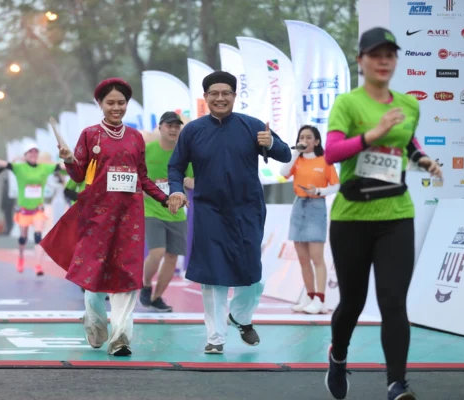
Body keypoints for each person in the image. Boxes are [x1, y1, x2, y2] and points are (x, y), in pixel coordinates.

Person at [322, 27, 442, 400]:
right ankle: (338, 356)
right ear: (361, 61)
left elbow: (407, 142)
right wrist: (373, 134)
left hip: (396, 214)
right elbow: (331, 152)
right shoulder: (348, 104)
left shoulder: (409, 105)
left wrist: (423, 159)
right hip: (352, 217)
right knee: (353, 303)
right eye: (375, 55)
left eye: (389, 54)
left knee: (393, 302)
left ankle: (396, 384)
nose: (383, 61)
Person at [40, 78, 170, 356]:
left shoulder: (135, 138)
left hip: (130, 218)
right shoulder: (89, 135)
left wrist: (165, 198)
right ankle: (95, 324)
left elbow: (142, 177)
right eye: (110, 102)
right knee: (93, 275)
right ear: (99, 104)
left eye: (121, 103)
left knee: (127, 275)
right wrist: (69, 160)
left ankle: (120, 338)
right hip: (96, 217)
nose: (116, 107)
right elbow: (78, 175)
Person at [167, 71, 292, 354]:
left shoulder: (252, 126)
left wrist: (271, 144)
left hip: (248, 210)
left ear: (235, 96)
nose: (220, 98)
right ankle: (216, 337)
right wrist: (176, 190)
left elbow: (285, 154)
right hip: (209, 210)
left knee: (253, 275)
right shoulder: (193, 131)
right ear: (206, 97)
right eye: (214, 93)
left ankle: (241, 317)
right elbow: (175, 166)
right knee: (212, 276)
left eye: (226, 93)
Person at [0, 144, 63, 276]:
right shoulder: (19, 167)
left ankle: (38, 265)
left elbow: (61, 166)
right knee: (23, 237)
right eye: (30, 152)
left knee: (38, 236)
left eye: (35, 152)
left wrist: (75, 161)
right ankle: (21, 257)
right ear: (25, 155)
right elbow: (3, 164)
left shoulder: (44, 167)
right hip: (24, 211)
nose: (33, 155)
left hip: (38, 210)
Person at [280, 125, 339, 315]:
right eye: (301, 137)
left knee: (316, 257)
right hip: (299, 206)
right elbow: (283, 172)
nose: (304, 140)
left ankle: (320, 299)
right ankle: (309, 295)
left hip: (316, 206)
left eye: (308, 137)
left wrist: (319, 191)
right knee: (303, 258)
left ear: (317, 141)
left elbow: (336, 185)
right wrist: (296, 153)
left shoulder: (325, 161)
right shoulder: (297, 159)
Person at [140, 111, 194, 312]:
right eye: (169, 126)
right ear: (160, 128)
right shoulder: (147, 150)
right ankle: (146, 285)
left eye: (176, 126)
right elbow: (134, 174)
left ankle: (156, 298)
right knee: (157, 252)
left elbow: (192, 179)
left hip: (176, 212)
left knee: (172, 257)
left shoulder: (185, 154)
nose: (173, 129)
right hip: (151, 209)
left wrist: (189, 182)